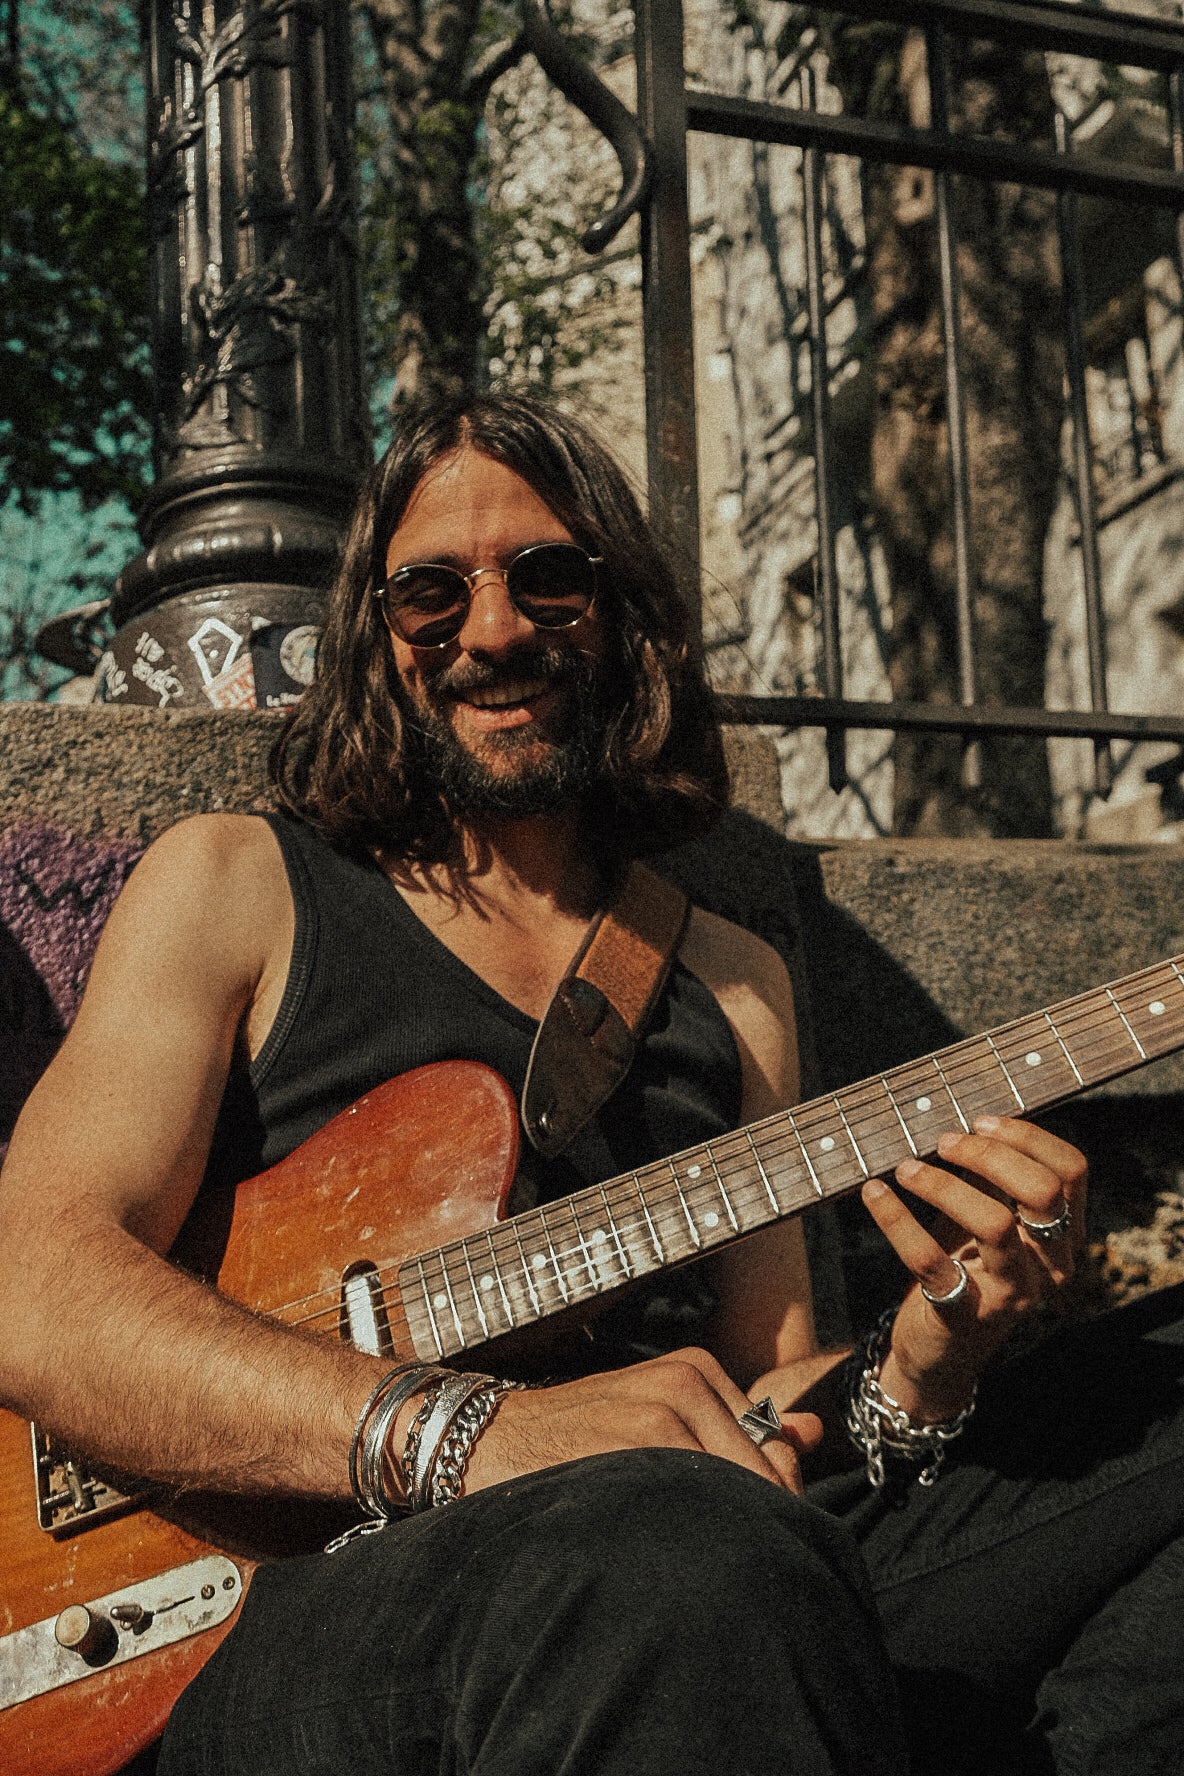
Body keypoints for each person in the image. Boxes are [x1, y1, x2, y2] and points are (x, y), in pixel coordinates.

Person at [1, 392, 1182, 1776]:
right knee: (686, 1548)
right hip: (301, 1603)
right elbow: (34, 1284)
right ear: (377, 636)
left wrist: (922, 1370)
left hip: (697, 1573)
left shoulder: (733, 978)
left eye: (547, 576)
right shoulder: (239, 886)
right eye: (432, 593)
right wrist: (466, 1434)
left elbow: (764, 1400)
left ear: (620, 613)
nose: (494, 630)